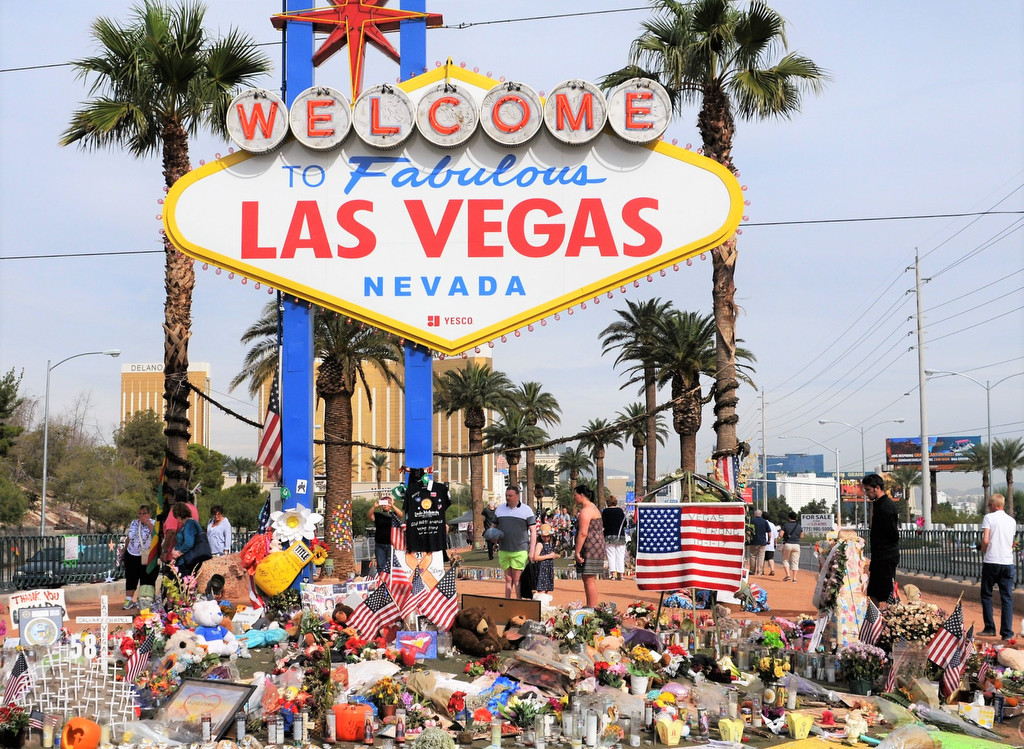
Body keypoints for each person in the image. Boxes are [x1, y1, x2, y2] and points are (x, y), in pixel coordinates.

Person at [980, 493, 1015, 640]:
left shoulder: (989, 518)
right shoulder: (1011, 521)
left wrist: (983, 548)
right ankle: (1007, 633)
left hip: (992, 561)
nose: (989, 507)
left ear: (994, 505)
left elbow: (986, 539)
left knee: (986, 594)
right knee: (1006, 598)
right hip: (1007, 562)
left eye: (989, 505)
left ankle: (990, 628)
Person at [863, 473, 900, 605]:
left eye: (868, 490)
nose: (866, 493)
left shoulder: (886, 507)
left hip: (886, 556)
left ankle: (886, 622)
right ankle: (875, 623)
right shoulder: (879, 504)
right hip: (879, 557)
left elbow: (892, 534)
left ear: (876, 488)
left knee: (885, 594)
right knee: (873, 592)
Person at [495, 485, 537, 599]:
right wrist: (492, 536)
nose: (508, 498)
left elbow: (533, 531)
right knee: (508, 579)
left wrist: (532, 550)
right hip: (504, 549)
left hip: (520, 549)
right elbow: (493, 527)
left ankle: (518, 601)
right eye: (506, 495)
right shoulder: (500, 509)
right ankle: (507, 602)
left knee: (517, 578)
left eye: (510, 495)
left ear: (517, 496)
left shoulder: (526, 510)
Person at [573, 485, 605, 607]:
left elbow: (583, 533)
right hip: (596, 546)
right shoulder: (593, 508)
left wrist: (577, 552)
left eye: (575, 495)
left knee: (589, 579)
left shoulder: (586, 511)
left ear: (581, 495)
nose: (574, 498)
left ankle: (591, 607)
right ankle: (590, 606)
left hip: (590, 547)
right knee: (588, 578)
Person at [123, 505, 157, 609]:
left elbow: (156, 535)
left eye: (144, 513)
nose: (142, 515)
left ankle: (144, 601)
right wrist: (124, 550)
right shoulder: (134, 523)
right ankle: (128, 600)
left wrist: (148, 523)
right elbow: (129, 537)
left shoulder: (154, 523)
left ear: (149, 514)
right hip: (132, 553)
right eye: (140, 513)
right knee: (131, 577)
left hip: (146, 555)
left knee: (146, 578)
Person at [367, 492, 404, 572]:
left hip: (391, 544)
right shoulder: (378, 515)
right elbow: (369, 515)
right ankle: (382, 583)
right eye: (383, 503)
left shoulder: (393, 515)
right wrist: (374, 507)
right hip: (379, 545)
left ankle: (390, 583)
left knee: (391, 565)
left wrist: (392, 506)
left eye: (387, 503)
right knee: (381, 565)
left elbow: (401, 515)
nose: (385, 505)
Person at [161, 486, 199, 563]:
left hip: (176, 555)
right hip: (191, 554)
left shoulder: (176, 509)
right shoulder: (194, 509)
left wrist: (165, 551)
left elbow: (171, 531)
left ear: (175, 498)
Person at [170, 501, 207, 577]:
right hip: (184, 561)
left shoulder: (189, 524)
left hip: (186, 562)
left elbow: (189, 543)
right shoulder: (189, 523)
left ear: (179, 515)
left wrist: (178, 553)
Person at [601, 494, 627, 580]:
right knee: (620, 555)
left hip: (609, 535)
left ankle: (613, 574)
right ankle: (621, 574)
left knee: (611, 555)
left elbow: (603, 524)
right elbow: (625, 523)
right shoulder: (620, 511)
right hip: (620, 535)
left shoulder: (605, 511)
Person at [532, 523, 557, 595]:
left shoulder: (549, 544)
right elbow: (536, 557)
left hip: (548, 569)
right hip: (542, 569)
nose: (546, 538)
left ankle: (544, 603)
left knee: (546, 589)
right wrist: (549, 556)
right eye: (544, 536)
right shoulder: (540, 544)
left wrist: (553, 555)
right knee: (542, 589)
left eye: (548, 536)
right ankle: (541, 603)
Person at [779, 511, 803, 582]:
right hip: (796, 545)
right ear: (796, 518)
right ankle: (794, 578)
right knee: (795, 562)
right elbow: (802, 536)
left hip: (788, 544)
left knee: (785, 560)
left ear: (789, 517)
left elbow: (781, 535)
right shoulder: (799, 526)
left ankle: (788, 575)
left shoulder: (785, 525)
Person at [748, 509, 769, 575]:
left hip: (753, 541)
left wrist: (748, 539)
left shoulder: (752, 521)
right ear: (761, 514)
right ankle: (760, 571)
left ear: (755, 514)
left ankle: (752, 570)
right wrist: (769, 540)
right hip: (762, 541)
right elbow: (769, 532)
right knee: (761, 557)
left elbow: (748, 531)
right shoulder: (765, 522)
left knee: (752, 556)